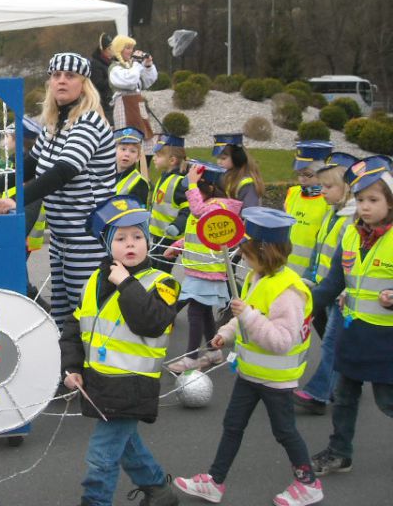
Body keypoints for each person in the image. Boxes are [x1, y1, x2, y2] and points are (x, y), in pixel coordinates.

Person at [174, 207, 322, 506]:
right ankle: (215, 482)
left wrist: (249, 316)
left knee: (285, 432)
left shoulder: (289, 292)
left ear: (266, 253)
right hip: (249, 373)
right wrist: (226, 334)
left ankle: (308, 484)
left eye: (247, 251)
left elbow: (281, 340)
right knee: (232, 426)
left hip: (276, 380)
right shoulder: (259, 276)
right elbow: (245, 313)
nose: (242, 256)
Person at [0, 52, 116, 327]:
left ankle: (88, 369)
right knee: (62, 310)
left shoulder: (88, 122)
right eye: (56, 75)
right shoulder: (55, 123)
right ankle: (67, 367)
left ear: (83, 83)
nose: (61, 81)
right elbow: (32, 163)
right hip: (63, 233)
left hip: (86, 233)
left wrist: (17, 200)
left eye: (70, 76)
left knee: (85, 310)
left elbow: (64, 171)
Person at [60, 197, 180, 506]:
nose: (131, 244)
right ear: (107, 244)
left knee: (101, 456)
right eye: (122, 238)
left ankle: (95, 502)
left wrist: (127, 284)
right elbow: (75, 327)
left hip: (133, 384)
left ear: (148, 241)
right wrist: (72, 367)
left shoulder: (163, 282)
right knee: (126, 445)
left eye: (138, 237)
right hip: (100, 383)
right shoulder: (95, 280)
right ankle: (159, 490)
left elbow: (150, 322)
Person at [308, 156, 393, 478]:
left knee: (387, 402)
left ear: (390, 201)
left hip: (387, 340)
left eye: (374, 200)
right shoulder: (351, 235)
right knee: (344, 398)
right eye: (360, 200)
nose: (365, 207)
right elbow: (332, 284)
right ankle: (340, 452)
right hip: (353, 334)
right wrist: (302, 308)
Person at [292, 152, 357, 415]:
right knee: (336, 342)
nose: (323, 191)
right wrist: (307, 277)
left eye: (329, 186)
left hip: (340, 293)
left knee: (332, 343)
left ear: (347, 188)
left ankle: (319, 393)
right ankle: (341, 382)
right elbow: (320, 250)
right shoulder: (333, 214)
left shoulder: (350, 220)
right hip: (323, 286)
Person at [165, 161, 240, 373]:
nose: (190, 193)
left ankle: (190, 358)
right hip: (200, 268)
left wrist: (191, 184)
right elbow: (195, 234)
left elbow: (198, 211)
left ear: (207, 188)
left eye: (194, 188)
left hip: (208, 271)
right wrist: (177, 247)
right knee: (204, 312)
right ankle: (214, 352)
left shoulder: (217, 208)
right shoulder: (205, 206)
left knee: (195, 313)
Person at [284, 142, 333, 276]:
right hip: (284, 266)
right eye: (299, 173)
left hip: (310, 272)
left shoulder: (328, 201)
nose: (302, 179)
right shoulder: (292, 193)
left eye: (307, 174)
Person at [108, 35, 157, 156]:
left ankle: (144, 169)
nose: (131, 51)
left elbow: (146, 82)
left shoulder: (132, 66)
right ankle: (127, 170)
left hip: (138, 105)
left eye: (132, 48)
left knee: (146, 138)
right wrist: (136, 63)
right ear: (119, 50)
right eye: (128, 48)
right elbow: (129, 82)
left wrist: (147, 65)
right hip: (124, 106)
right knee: (126, 140)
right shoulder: (114, 68)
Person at [148, 134, 189, 272]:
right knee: (153, 268)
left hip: (170, 237)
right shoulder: (165, 177)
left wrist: (177, 226)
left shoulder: (180, 182)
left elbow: (187, 210)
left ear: (172, 160)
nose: (154, 158)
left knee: (162, 272)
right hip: (158, 235)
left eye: (158, 155)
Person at [213, 134, 264, 208]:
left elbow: (249, 211)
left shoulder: (248, 184)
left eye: (223, 158)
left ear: (237, 158)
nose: (218, 162)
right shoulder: (225, 175)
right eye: (218, 158)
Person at [113, 127, 150, 205]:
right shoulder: (105, 175)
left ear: (138, 157)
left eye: (132, 151)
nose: (127, 154)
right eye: (123, 149)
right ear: (114, 151)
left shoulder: (140, 183)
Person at [89, 33, 115, 123]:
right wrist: (115, 78)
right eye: (112, 48)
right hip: (104, 104)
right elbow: (98, 84)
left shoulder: (112, 62)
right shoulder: (95, 64)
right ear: (106, 49)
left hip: (112, 102)